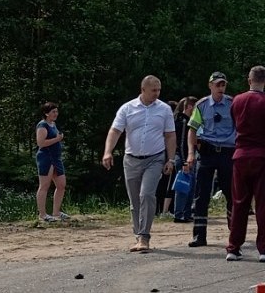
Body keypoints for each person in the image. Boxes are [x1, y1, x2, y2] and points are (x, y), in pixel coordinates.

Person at [101, 76, 177, 253]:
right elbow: (115, 131)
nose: (157, 94)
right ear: (143, 89)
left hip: (155, 158)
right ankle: (138, 235)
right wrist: (107, 151)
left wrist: (171, 159)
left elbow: (170, 135)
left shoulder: (164, 109)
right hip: (131, 159)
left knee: (147, 195)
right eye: (153, 90)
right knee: (135, 201)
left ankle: (144, 236)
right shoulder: (127, 108)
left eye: (159, 90)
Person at [226, 65, 265, 263]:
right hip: (262, 156)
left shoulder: (237, 100)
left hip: (240, 154)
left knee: (239, 203)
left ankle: (234, 247)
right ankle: (264, 249)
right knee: (262, 203)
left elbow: (235, 125)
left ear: (249, 80)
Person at [184, 72, 236, 247]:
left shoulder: (232, 103)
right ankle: (200, 235)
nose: (221, 88)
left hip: (228, 152)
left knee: (231, 192)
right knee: (202, 194)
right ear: (210, 86)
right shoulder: (202, 105)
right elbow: (192, 129)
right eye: (218, 85)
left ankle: (234, 232)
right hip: (207, 152)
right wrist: (191, 154)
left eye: (223, 85)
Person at [161, 96, 193, 220]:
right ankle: (180, 213)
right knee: (181, 185)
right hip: (181, 156)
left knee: (178, 184)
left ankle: (183, 212)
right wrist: (184, 160)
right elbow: (180, 143)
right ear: (189, 106)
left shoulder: (178, 119)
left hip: (178, 156)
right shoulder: (183, 121)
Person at [34, 102, 67, 223]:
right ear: (46, 113)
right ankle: (42, 215)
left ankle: (56, 212)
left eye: (56, 111)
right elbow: (41, 143)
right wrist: (57, 139)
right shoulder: (42, 125)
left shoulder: (53, 124)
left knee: (61, 185)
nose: (56, 114)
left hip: (56, 157)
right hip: (46, 158)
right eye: (53, 112)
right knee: (44, 185)